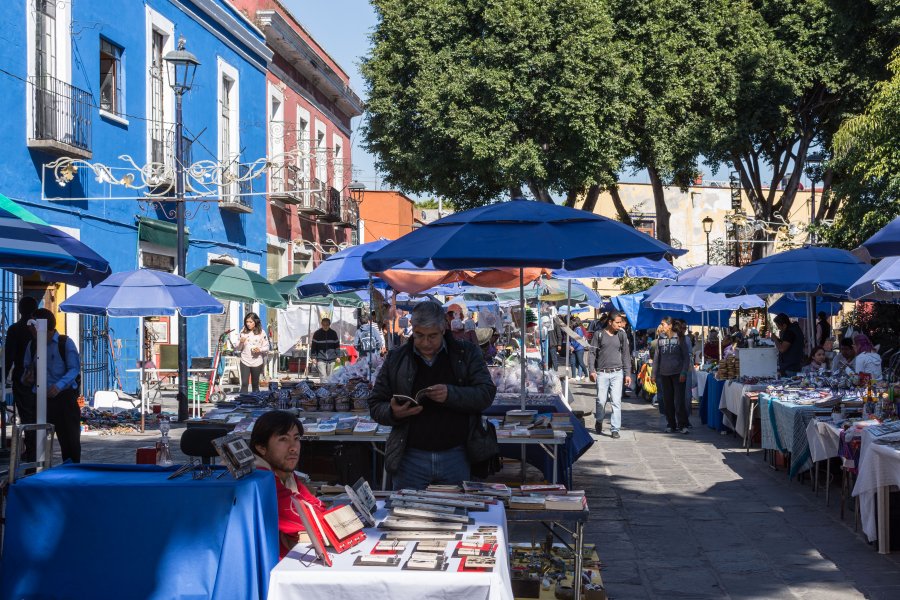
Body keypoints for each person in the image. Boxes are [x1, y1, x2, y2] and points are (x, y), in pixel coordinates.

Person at [368, 301, 496, 490]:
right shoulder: (397, 358)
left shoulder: (466, 353)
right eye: (419, 336)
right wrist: (393, 412)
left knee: (455, 516)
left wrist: (451, 394)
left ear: (444, 328)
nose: (425, 343)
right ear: (412, 327)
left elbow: (486, 393)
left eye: (432, 336)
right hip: (410, 458)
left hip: (457, 455)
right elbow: (375, 403)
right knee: (407, 517)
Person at [251, 410, 324, 559]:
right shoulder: (261, 480)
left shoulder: (286, 474)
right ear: (261, 447)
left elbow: (317, 507)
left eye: (296, 438)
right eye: (283, 439)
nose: (293, 447)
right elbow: (306, 521)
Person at [21, 308, 82, 463]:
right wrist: (26, 379)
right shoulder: (32, 345)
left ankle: (71, 473)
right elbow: (26, 369)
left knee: (69, 441)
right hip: (39, 399)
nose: (32, 333)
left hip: (63, 399)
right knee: (36, 440)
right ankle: (35, 471)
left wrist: (59, 386)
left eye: (35, 329)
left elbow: (74, 368)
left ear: (46, 328)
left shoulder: (65, 343)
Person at [5, 296, 38, 463]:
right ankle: (34, 451)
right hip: (39, 378)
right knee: (38, 415)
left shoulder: (14, 329)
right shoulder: (39, 329)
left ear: (19, 310)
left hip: (21, 378)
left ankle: (31, 451)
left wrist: (3, 378)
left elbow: (9, 357)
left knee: (26, 416)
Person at [588, 312, 631, 439]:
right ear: (610, 322)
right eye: (617, 322)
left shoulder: (622, 335)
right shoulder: (599, 334)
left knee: (616, 401)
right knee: (601, 400)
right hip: (602, 373)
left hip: (617, 373)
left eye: (620, 322)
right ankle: (599, 420)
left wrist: (627, 373)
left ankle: (615, 428)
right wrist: (591, 370)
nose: (620, 325)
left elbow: (625, 354)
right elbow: (592, 353)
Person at [652, 317, 691, 434]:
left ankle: (683, 424)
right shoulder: (660, 339)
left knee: (679, 401)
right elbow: (656, 358)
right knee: (667, 401)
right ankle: (671, 424)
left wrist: (684, 372)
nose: (661, 326)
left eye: (663, 324)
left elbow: (686, 357)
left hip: (678, 374)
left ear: (669, 325)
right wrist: (653, 374)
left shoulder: (680, 338)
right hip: (664, 374)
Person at [235, 312, 269, 393]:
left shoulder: (262, 332)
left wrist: (259, 349)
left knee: (255, 384)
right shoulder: (243, 331)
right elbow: (238, 349)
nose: (248, 324)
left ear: (255, 322)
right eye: (247, 322)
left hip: (257, 361)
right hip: (245, 361)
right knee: (244, 383)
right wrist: (241, 342)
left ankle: (255, 403)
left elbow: (267, 347)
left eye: (250, 322)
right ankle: (242, 403)